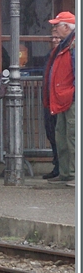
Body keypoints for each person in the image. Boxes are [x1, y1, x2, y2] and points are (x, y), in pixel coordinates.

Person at [43, 11, 75, 187]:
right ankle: (66, 173)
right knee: (62, 137)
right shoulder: (65, 45)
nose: (55, 29)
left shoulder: (73, 45)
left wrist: (73, 93)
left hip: (71, 99)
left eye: (57, 25)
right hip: (63, 98)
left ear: (66, 27)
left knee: (72, 137)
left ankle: (74, 174)